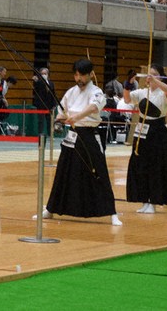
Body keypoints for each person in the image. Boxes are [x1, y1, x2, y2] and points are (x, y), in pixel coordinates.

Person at [43, 58, 122, 226]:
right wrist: (58, 121)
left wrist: (76, 117)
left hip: (88, 134)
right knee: (63, 172)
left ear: (90, 74)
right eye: (76, 75)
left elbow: (94, 108)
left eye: (82, 75)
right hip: (72, 136)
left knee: (98, 171)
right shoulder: (71, 92)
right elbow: (61, 112)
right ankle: (51, 209)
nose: (78, 79)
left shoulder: (97, 92)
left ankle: (112, 212)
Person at [123, 64, 167, 214]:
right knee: (141, 165)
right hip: (142, 131)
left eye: (154, 74)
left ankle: (154, 201)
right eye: (148, 74)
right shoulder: (141, 92)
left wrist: (156, 81)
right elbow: (127, 99)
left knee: (155, 166)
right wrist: (128, 83)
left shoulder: (164, 92)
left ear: (161, 77)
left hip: (157, 131)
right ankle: (144, 200)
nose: (149, 77)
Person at [32, 67, 56, 136]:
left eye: (45, 73)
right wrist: (36, 80)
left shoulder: (51, 83)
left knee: (49, 121)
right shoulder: (39, 82)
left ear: (48, 74)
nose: (44, 75)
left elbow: (53, 94)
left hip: (49, 105)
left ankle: (50, 135)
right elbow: (36, 86)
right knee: (41, 121)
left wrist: (54, 105)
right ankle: (40, 134)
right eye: (42, 74)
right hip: (41, 105)